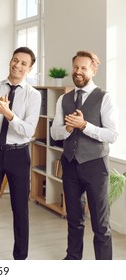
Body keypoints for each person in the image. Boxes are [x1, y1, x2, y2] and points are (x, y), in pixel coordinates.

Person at [0, 47, 41, 260]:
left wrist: (8, 114)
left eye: (23, 63)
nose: (17, 66)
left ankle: (20, 258)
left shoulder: (33, 95)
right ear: (10, 62)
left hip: (18, 154)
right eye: (15, 60)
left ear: (29, 69)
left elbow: (28, 131)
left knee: (20, 210)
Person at [50, 50, 118, 260]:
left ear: (93, 70)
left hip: (95, 166)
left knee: (100, 223)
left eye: (83, 68)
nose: (78, 72)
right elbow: (54, 132)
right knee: (73, 218)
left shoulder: (105, 97)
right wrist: (68, 129)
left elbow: (112, 134)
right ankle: (73, 258)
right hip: (70, 164)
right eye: (76, 67)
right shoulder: (64, 99)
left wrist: (85, 125)